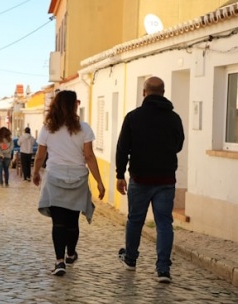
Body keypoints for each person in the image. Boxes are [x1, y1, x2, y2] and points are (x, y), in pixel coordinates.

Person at [116, 76, 184, 284]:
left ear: (144, 93)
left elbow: (122, 147)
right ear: (163, 93)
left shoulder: (133, 117)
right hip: (165, 179)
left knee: (135, 219)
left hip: (140, 177)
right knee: (164, 223)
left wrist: (120, 174)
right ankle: (163, 269)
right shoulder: (174, 118)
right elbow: (179, 144)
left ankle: (130, 259)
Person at [32, 90, 105, 277]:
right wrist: (99, 181)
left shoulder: (48, 128)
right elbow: (88, 156)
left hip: (55, 177)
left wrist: (35, 173)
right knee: (72, 221)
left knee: (58, 223)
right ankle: (71, 253)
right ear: (74, 105)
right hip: (78, 179)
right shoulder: (84, 128)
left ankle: (59, 262)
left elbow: (40, 155)